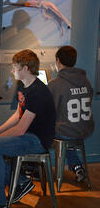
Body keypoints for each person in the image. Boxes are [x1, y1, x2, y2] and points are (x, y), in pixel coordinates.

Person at [0, 49, 56, 208]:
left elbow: (20, 130)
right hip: (28, 135)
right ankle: (19, 182)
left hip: (38, 140)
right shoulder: (25, 86)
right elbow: (18, 114)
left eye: (14, 67)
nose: (12, 70)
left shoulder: (38, 92)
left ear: (25, 69)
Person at [48, 45, 94, 182]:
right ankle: (77, 166)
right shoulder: (85, 81)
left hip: (66, 131)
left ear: (57, 61)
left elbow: (48, 112)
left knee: (42, 132)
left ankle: (32, 169)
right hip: (84, 129)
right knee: (66, 133)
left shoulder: (55, 84)